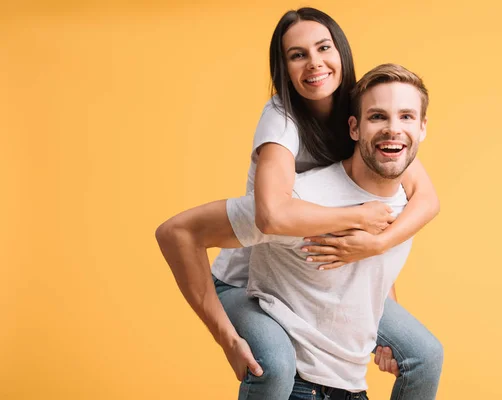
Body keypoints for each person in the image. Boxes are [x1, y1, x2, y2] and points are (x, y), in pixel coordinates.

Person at [158, 7, 442, 400]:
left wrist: (375, 248)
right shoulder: (281, 118)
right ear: (284, 68)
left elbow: (425, 199)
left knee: (425, 355)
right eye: (297, 55)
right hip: (249, 275)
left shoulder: (373, 115)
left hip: (313, 274)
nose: (314, 63)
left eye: (323, 47)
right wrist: (226, 338)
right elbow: (271, 215)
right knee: (273, 365)